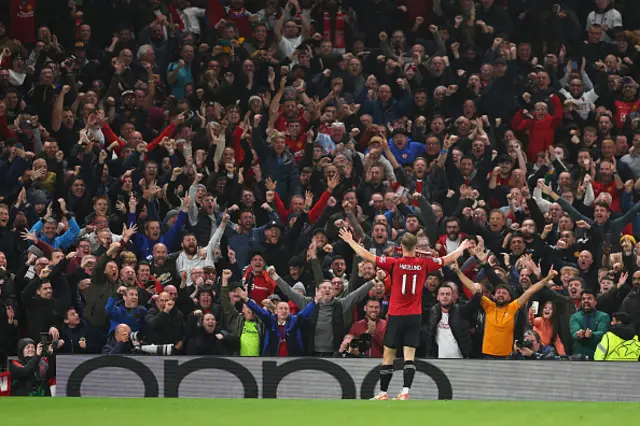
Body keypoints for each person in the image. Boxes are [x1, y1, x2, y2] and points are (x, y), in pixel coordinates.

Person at [339, 229, 472, 400]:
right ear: (416, 247)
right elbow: (449, 259)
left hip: (396, 315)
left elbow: (367, 255)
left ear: (401, 246)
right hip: (414, 316)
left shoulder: (394, 263)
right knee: (410, 356)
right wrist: (461, 247)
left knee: (389, 356)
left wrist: (350, 241)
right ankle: (405, 392)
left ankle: (383, 393)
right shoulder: (425, 264)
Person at [238, 278, 319, 357]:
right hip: (272, 362)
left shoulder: (294, 321)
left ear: (289, 311)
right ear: (275, 311)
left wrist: (315, 301)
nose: (283, 311)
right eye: (281, 308)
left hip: (292, 362)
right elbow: (258, 310)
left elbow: (304, 313)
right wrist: (246, 299)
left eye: (286, 308)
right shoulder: (270, 320)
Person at [570, 290, 611, 358]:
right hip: (578, 356)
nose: (586, 301)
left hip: (598, 355)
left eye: (589, 298)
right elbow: (574, 333)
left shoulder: (604, 316)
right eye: (583, 299)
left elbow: (603, 333)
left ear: (595, 302)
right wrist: (578, 334)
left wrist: (592, 334)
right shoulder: (575, 317)